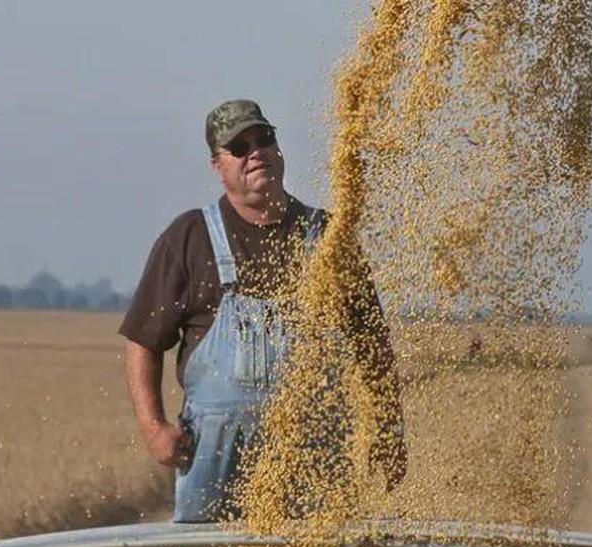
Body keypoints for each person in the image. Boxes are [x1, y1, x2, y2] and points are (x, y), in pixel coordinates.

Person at [119, 99, 405, 522]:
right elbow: (144, 342)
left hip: (314, 445)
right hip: (216, 454)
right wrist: (154, 428)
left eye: (264, 139)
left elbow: (372, 344)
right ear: (218, 165)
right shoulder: (190, 237)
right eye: (239, 146)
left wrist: (387, 426)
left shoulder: (328, 237)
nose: (256, 152)